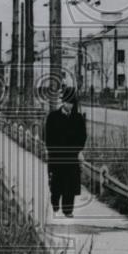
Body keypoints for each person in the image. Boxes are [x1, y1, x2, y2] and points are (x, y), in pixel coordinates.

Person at [44, 87, 87, 218]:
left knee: (71, 184)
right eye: (68, 102)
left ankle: (68, 210)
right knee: (57, 183)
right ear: (63, 102)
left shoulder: (78, 118)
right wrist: (52, 151)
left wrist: (78, 150)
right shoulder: (53, 117)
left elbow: (83, 136)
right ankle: (55, 202)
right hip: (57, 156)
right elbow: (48, 136)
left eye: (72, 103)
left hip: (72, 156)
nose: (70, 105)